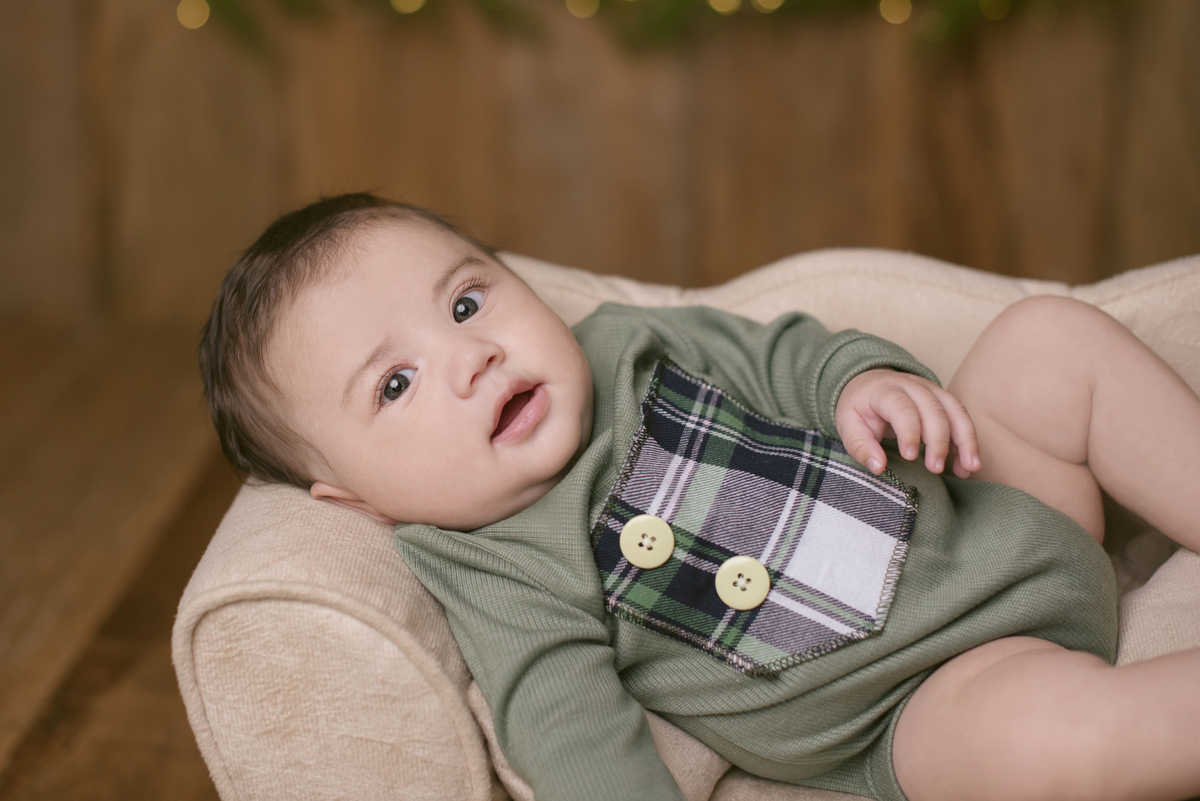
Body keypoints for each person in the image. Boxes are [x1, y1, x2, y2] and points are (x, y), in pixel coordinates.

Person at [199, 193, 1200, 801]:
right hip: (935, 692)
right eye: (395, 384)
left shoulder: (628, 345)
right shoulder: (491, 560)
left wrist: (863, 382)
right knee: (1058, 750)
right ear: (356, 498)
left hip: (991, 511)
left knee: (1046, 342)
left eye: (467, 303)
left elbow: (786, 355)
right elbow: (570, 729)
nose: (470, 358)